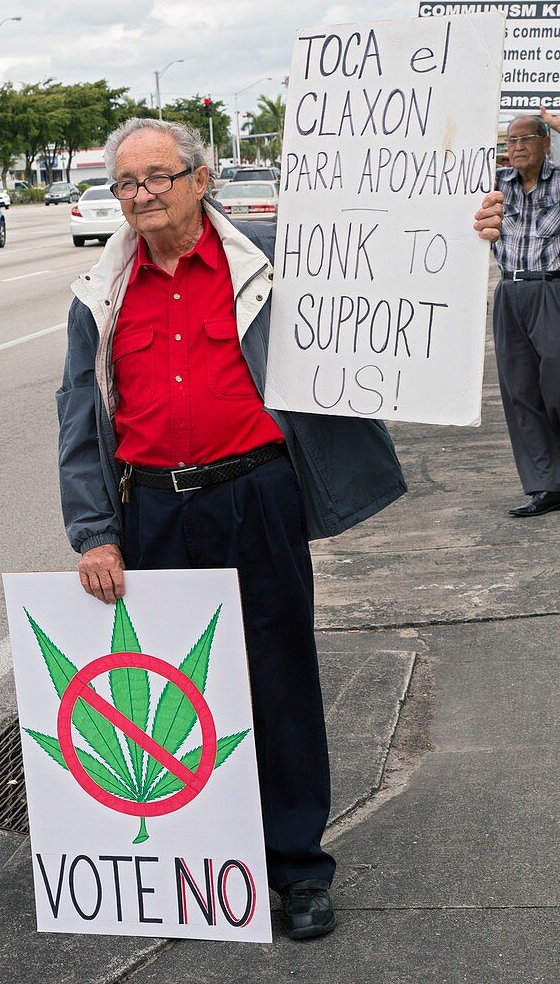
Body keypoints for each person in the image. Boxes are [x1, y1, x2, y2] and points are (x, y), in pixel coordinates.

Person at [56, 118, 503, 939]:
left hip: (254, 496)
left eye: (157, 176)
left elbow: (388, 263)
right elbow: (80, 420)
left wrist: (466, 228)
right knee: (167, 696)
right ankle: (193, 871)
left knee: (277, 682)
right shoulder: (99, 291)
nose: (141, 196)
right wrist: (95, 532)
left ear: (201, 179)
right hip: (151, 506)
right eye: (126, 183)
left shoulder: (270, 259)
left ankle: (295, 869)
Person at [491, 113, 560, 517]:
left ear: (545, 142)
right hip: (509, 292)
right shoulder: (497, 186)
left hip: (551, 289)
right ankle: (546, 484)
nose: (515, 147)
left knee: (555, 384)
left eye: (524, 139)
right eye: (509, 141)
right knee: (521, 392)